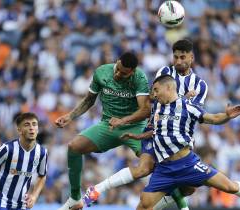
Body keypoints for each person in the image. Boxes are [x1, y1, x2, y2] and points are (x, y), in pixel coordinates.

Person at [130, 75, 240, 210]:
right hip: (164, 168)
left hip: (187, 163)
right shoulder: (156, 108)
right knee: (143, 205)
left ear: (169, 87)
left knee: (229, 186)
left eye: (156, 90)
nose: (154, 94)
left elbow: (212, 118)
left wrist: (226, 116)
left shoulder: (187, 107)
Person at [83, 39, 206, 210]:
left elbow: (194, 114)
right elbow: (153, 97)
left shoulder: (200, 85)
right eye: (175, 57)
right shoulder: (164, 72)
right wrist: (183, 99)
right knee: (144, 168)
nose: (178, 61)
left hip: (180, 138)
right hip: (156, 129)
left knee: (189, 187)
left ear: (191, 57)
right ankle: (97, 189)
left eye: (182, 57)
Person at [54, 52, 151, 210]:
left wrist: (123, 120)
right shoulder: (102, 72)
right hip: (108, 125)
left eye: (124, 73)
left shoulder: (140, 78)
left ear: (132, 72)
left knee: (155, 163)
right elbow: (89, 100)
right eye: (117, 69)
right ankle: (74, 197)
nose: (118, 74)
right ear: (117, 62)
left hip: (135, 127)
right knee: (74, 147)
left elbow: (145, 110)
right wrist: (71, 116)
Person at [0, 112, 48, 210]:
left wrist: (34, 196)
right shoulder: (7, 149)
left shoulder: (42, 152)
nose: (31, 128)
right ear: (19, 130)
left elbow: (42, 176)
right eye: (27, 124)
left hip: (21, 205)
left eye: (34, 124)